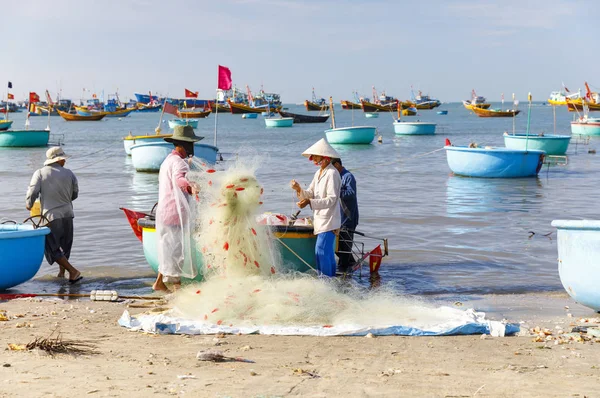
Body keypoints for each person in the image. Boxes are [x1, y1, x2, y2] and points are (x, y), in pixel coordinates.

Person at [152, 125, 201, 292]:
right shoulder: (179, 163)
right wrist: (191, 187)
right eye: (190, 144)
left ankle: (159, 283)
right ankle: (177, 288)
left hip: (164, 211)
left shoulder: (168, 161)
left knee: (168, 249)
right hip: (175, 213)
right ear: (182, 145)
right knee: (177, 251)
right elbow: (179, 179)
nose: (192, 148)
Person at [25, 147, 82, 283]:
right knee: (65, 245)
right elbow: (75, 194)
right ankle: (62, 274)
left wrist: (29, 204)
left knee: (51, 247)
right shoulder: (70, 174)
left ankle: (73, 271)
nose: (65, 162)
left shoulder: (39, 173)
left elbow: (32, 192)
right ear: (60, 160)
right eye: (64, 159)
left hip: (50, 216)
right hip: (68, 214)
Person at [290, 138, 341, 277]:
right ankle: (330, 281)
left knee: (321, 251)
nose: (314, 159)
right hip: (321, 220)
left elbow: (332, 199)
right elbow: (310, 193)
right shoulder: (318, 173)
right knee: (327, 253)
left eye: (316, 156)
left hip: (329, 220)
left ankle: (325, 280)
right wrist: (298, 189)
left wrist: (310, 202)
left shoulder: (332, 173)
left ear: (325, 158)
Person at [331, 158, 359, 273]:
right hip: (339, 218)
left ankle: (345, 273)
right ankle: (352, 264)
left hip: (348, 218)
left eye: (331, 167)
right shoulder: (336, 177)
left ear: (337, 165)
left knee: (345, 249)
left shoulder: (348, 176)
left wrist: (336, 192)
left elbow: (351, 193)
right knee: (338, 248)